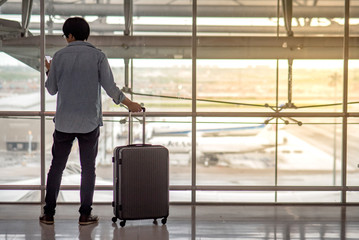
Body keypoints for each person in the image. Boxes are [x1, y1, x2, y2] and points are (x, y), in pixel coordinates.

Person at [39, 17, 142, 225]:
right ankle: (85, 214)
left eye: (65, 36)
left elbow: (51, 90)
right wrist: (129, 104)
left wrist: (49, 70)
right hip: (89, 122)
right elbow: (110, 88)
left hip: (64, 124)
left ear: (70, 35)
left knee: (56, 167)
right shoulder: (98, 56)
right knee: (88, 169)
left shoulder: (59, 57)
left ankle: (49, 213)